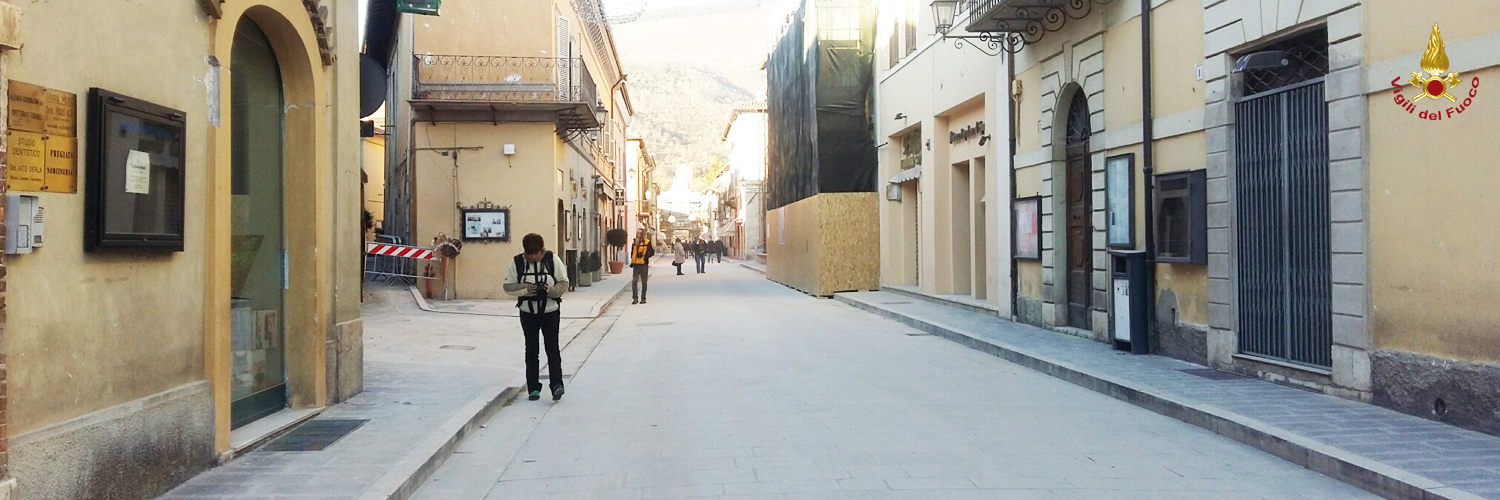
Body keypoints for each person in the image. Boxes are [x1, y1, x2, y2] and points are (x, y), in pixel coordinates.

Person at [504, 233, 569, 401]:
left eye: (536, 253)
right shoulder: (518, 262)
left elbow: (564, 283)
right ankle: (533, 387)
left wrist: (550, 291)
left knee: (552, 349)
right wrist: (526, 288)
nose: (533, 257)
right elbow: (508, 286)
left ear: (541, 250)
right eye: (529, 254)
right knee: (531, 350)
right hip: (528, 312)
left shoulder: (552, 260)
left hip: (550, 311)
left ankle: (557, 385)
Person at [629, 230, 655, 304]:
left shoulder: (647, 242)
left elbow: (652, 252)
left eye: (638, 233)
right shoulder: (634, 242)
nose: (637, 234)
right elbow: (632, 252)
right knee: (634, 281)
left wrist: (645, 257)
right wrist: (632, 261)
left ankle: (643, 298)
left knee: (644, 282)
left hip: (643, 264)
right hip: (635, 265)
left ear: (642, 234)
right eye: (636, 233)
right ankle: (635, 298)